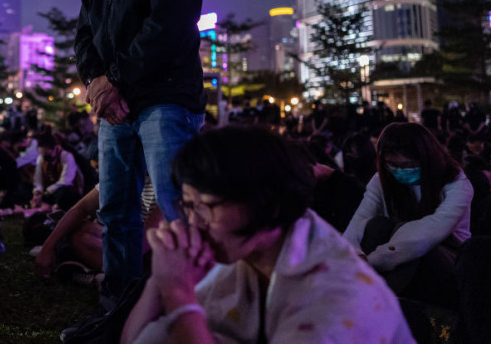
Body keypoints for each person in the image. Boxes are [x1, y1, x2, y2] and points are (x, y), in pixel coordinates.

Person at [121, 126, 413, 344]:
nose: (193, 223)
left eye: (206, 207)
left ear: (268, 204)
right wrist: (161, 279)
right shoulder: (245, 256)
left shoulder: (336, 302)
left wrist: (177, 292)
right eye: (188, 206)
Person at [69, 0, 205, 297]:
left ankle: (192, 305)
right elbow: (84, 36)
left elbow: (171, 24)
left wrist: (115, 82)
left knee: (177, 205)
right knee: (115, 210)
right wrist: (96, 85)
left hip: (165, 98)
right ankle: (119, 305)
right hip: (116, 106)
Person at [343, 122, 473, 308]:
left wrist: (369, 262)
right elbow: (359, 221)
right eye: (392, 165)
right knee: (376, 226)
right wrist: (354, 255)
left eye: (407, 165)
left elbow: (427, 233)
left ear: (426, 158)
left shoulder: (456, 183)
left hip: (446, 256)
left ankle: (372, 300)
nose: (399, 171)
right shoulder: (382, 180)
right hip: (391, 259)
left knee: (405, 233)